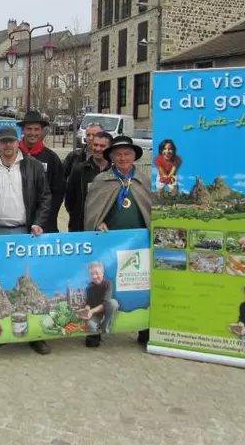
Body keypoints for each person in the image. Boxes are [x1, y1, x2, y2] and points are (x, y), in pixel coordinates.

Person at [0, 126, 53, 356]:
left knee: (26, 288)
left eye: (11, 141)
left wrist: (39, 222)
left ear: (17, 142)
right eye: (3, 142)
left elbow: (45, 196)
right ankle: (0, 330)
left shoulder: (33, 166)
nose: (7, 145)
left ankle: (34, 335)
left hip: (25, 233)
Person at [83, 135, 152, 346]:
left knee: (140, 286)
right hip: (109, 244)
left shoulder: (143, 181)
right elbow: (93, 211)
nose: (123, 158)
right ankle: (95, 330)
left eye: (127, 154)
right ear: (111, 157)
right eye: (118, 154)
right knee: (102, 286)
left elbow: (150, 210)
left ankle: (143, 329)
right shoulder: (102, 180)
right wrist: (98, 223)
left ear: (134, 157)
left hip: (137, 244)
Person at [17, 110, 65, 233]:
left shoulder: (51, 158)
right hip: (18, 220)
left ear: (42, 131)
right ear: (23, 130)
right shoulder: (13, 155)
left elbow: (58, 192)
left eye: (36, 129)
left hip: (44, 222)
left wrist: (46, 219)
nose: (32, 133)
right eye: (29, 129)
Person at [65, 132, 113, 232]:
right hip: (81, 229)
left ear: (110, 148)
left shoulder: (115, 171)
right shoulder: (79, 170)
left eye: (102, 146)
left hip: (108, 228)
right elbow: (70, 200)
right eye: (95, 145)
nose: (97, 149)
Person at [79, 262, 119, 348]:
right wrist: (86, 310)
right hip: (96, 313)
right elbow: (88, 303)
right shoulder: (89, 288)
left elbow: (106, 303)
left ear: (102, 273)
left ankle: (105, 328)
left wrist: (91, 311)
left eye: (96, 273)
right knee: (91, 340)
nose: (94, 276)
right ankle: (97, 333)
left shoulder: (108, 283)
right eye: (92, 274)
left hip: (107, 310)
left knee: (113, 303)